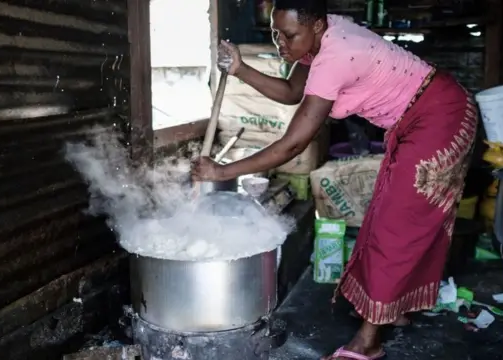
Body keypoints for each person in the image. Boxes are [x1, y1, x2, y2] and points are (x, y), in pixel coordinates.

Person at [191, 0, 478, 358]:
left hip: (440, 116)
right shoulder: (318, 39)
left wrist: (221, 172)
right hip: (416, 118)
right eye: (275, 34)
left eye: (289, 35)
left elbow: (293, 144)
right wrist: (240, 68)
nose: (281, 43)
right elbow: (291, 92)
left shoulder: (335, 56)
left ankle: (368, 341)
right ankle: (392, 306)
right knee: (389, 214)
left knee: (398, 223)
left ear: (315, 26)